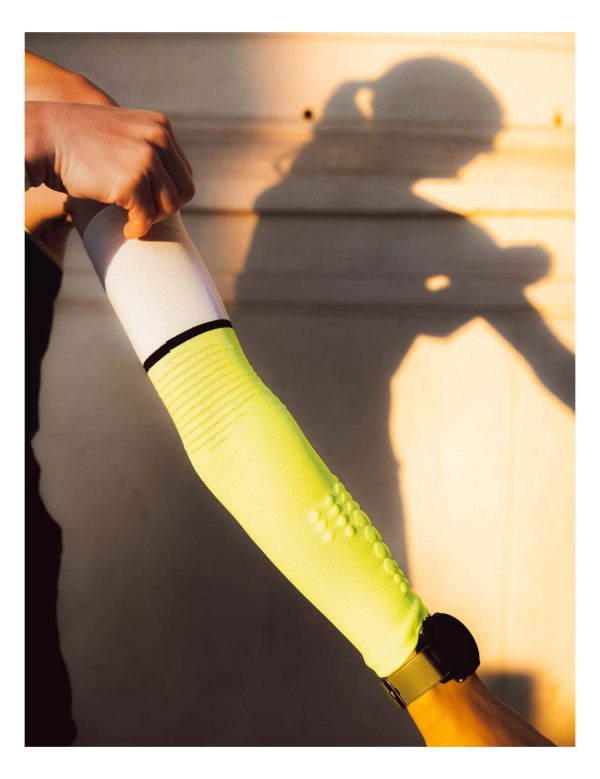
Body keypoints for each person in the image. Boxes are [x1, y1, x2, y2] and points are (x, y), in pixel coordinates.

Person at [25, 48, 554, 747]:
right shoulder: (48, 120)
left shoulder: (63, 105)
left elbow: (216, 404)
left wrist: (433, 682)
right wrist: (30, 136)